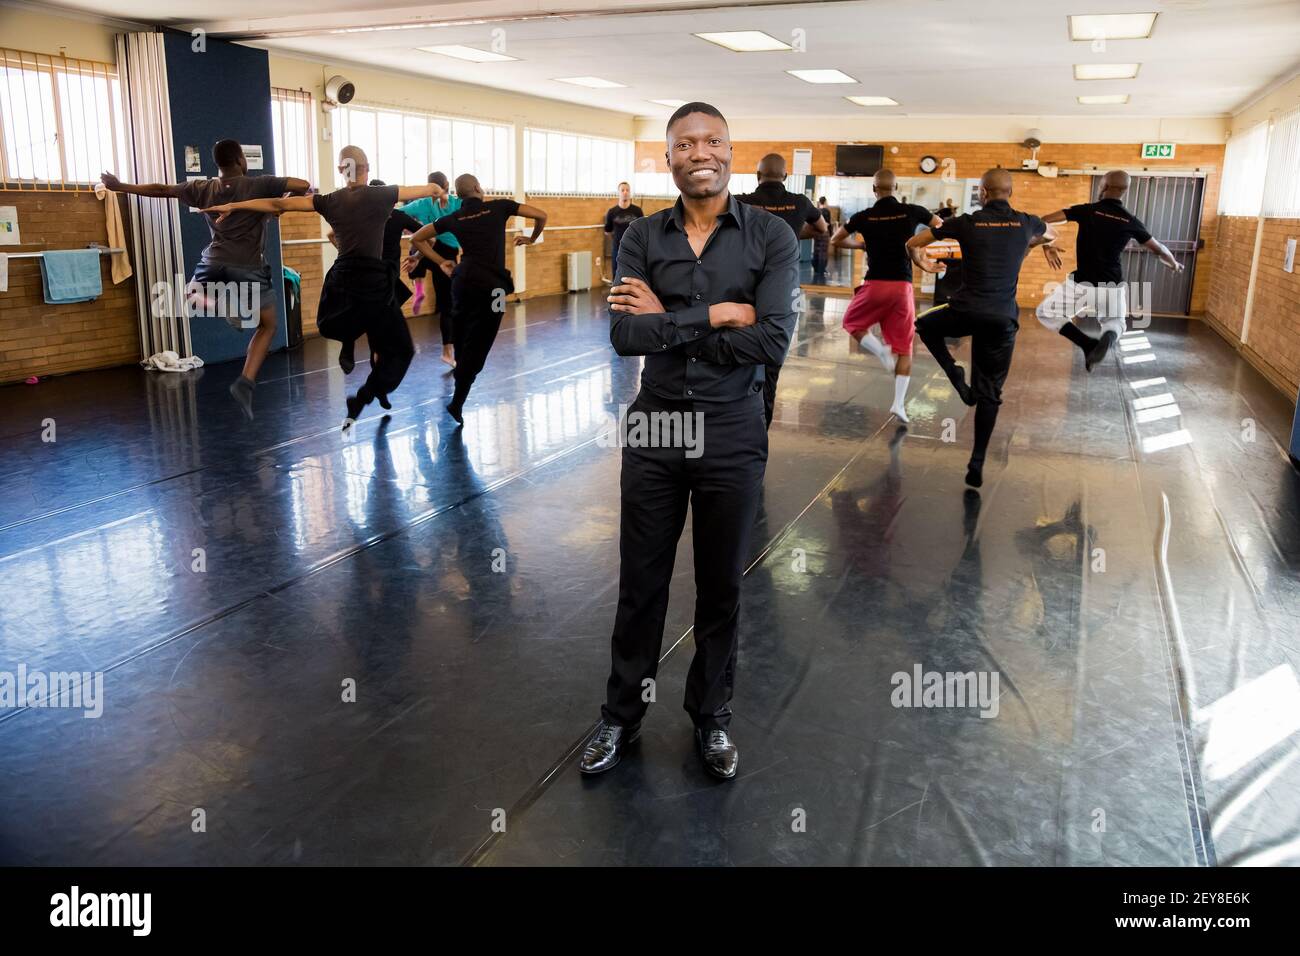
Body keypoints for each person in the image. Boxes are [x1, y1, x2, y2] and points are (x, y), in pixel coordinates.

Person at [579, 102, 799, 781]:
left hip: (733, 428)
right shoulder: (642, 236)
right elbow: (625, 337)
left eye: (712, 140)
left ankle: (711, 719)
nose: (699, 151)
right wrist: (719, 313)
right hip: (655, 426)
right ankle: (621, 716)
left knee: (719, 586)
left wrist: (670, 320)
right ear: (668, 157)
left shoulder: (771, 237)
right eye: (684, 143)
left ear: (730, 150)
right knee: (640, 583)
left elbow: (771, 338)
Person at [202, 146, 447, 427]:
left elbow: (277, 204)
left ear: (342, 171)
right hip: (373, 282)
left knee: (333, 325)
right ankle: (365, 392)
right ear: (367, 168)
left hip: (341, 279)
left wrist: (235, 205)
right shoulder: (383, 194)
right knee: (402, 350)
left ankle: (350, 347)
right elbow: (424, 188)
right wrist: (437, 190)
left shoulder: (329, 200)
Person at [101, 141, 310, 420]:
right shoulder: (260, 184)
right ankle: (245, 383)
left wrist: (121, 186)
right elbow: (303, 184)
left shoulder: (201, 188)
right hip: (249, 265)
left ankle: (225, 309)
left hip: (213, 262)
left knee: (190, 292)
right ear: (239, 160)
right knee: (268, 325)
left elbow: (162, 190)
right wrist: (278, 205)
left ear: (218, 164)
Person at [906, 168, 1058, 489]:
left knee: (924, 324)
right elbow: (1051, 233)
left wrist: (921, 261)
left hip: (965, 311)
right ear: (1010, 193)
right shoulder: (1026, 222)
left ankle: (955, 376)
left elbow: (914, 242)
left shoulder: (967, 223)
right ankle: (977, 461)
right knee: (990, 393)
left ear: (982, 193)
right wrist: (1039, 245)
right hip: (1002, 318)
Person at [408, 174, 547, 425]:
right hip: (493, 287)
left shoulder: (454, 217)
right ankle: (458, 397)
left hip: (462, 281)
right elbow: (541, 215)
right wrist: (532, 238)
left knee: (461, 332)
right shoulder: (500, 206)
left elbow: (416, 238)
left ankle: (460, 378)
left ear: (459, 195)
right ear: (477, 188)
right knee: (482, 341)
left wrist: (441, 262)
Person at [1035, 169, 1183, 371]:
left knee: (1046, 312)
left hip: (1081, 284)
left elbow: (1042, 221)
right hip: (1112, 287)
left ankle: (1087, 344)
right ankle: (1107, 338)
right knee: (1115, 322)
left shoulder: (1087, 210)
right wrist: (1174, 264)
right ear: (1124, 191)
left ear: (1104, 186)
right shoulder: (1131, 220)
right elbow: (1160, 250)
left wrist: (1047, 245)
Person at [829, 169, 941, 424]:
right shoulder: (913, 211)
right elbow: (939, 227)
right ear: (896, 187)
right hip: (902, 288)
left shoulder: (864, 216)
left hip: (875, 285)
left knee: (852, 324)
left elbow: (836, 239)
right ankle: (898, 404)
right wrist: (919, 251)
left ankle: (879, 350)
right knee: (904, 350)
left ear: (874, 189)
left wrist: (860, 244)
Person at [738, 152, 827, 428]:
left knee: (738, 355)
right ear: (786, 176)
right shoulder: (799, 202)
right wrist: (789, 232)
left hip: (743, 289)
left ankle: (733, 422)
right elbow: (822, 229)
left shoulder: (742, 202)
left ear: (757, 176)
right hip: (783, 292)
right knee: (771, 361)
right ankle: (760, 429)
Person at [402, 172, 461, 368]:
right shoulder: (455, 203)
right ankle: (447, 352)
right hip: (445, 257)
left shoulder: (426, 203)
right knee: (447, 306)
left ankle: (418, 285)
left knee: (418, 248)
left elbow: (400, 212)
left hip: (427, 250)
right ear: (447, 185)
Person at [603, 182, 644, 284]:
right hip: (618, 248)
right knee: (617, 275)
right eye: (622, 190)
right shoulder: (612, 212)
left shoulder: (637, 211)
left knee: (634, 276)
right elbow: (607, 231)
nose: (625, 192)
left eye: (627, 190)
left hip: (634, 249)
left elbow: (643, 231)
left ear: (630, 193)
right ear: (619, 193)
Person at [811, 196, 833, 276]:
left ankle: (816, 268)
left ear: (819, 202)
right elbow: (829, 223)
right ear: (825, 202)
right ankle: (822, 269)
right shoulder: (827, 211)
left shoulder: (816, 210)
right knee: (823, 252)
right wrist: (831, 234)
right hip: (825, 233)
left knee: (816, 250)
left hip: (816, 233)